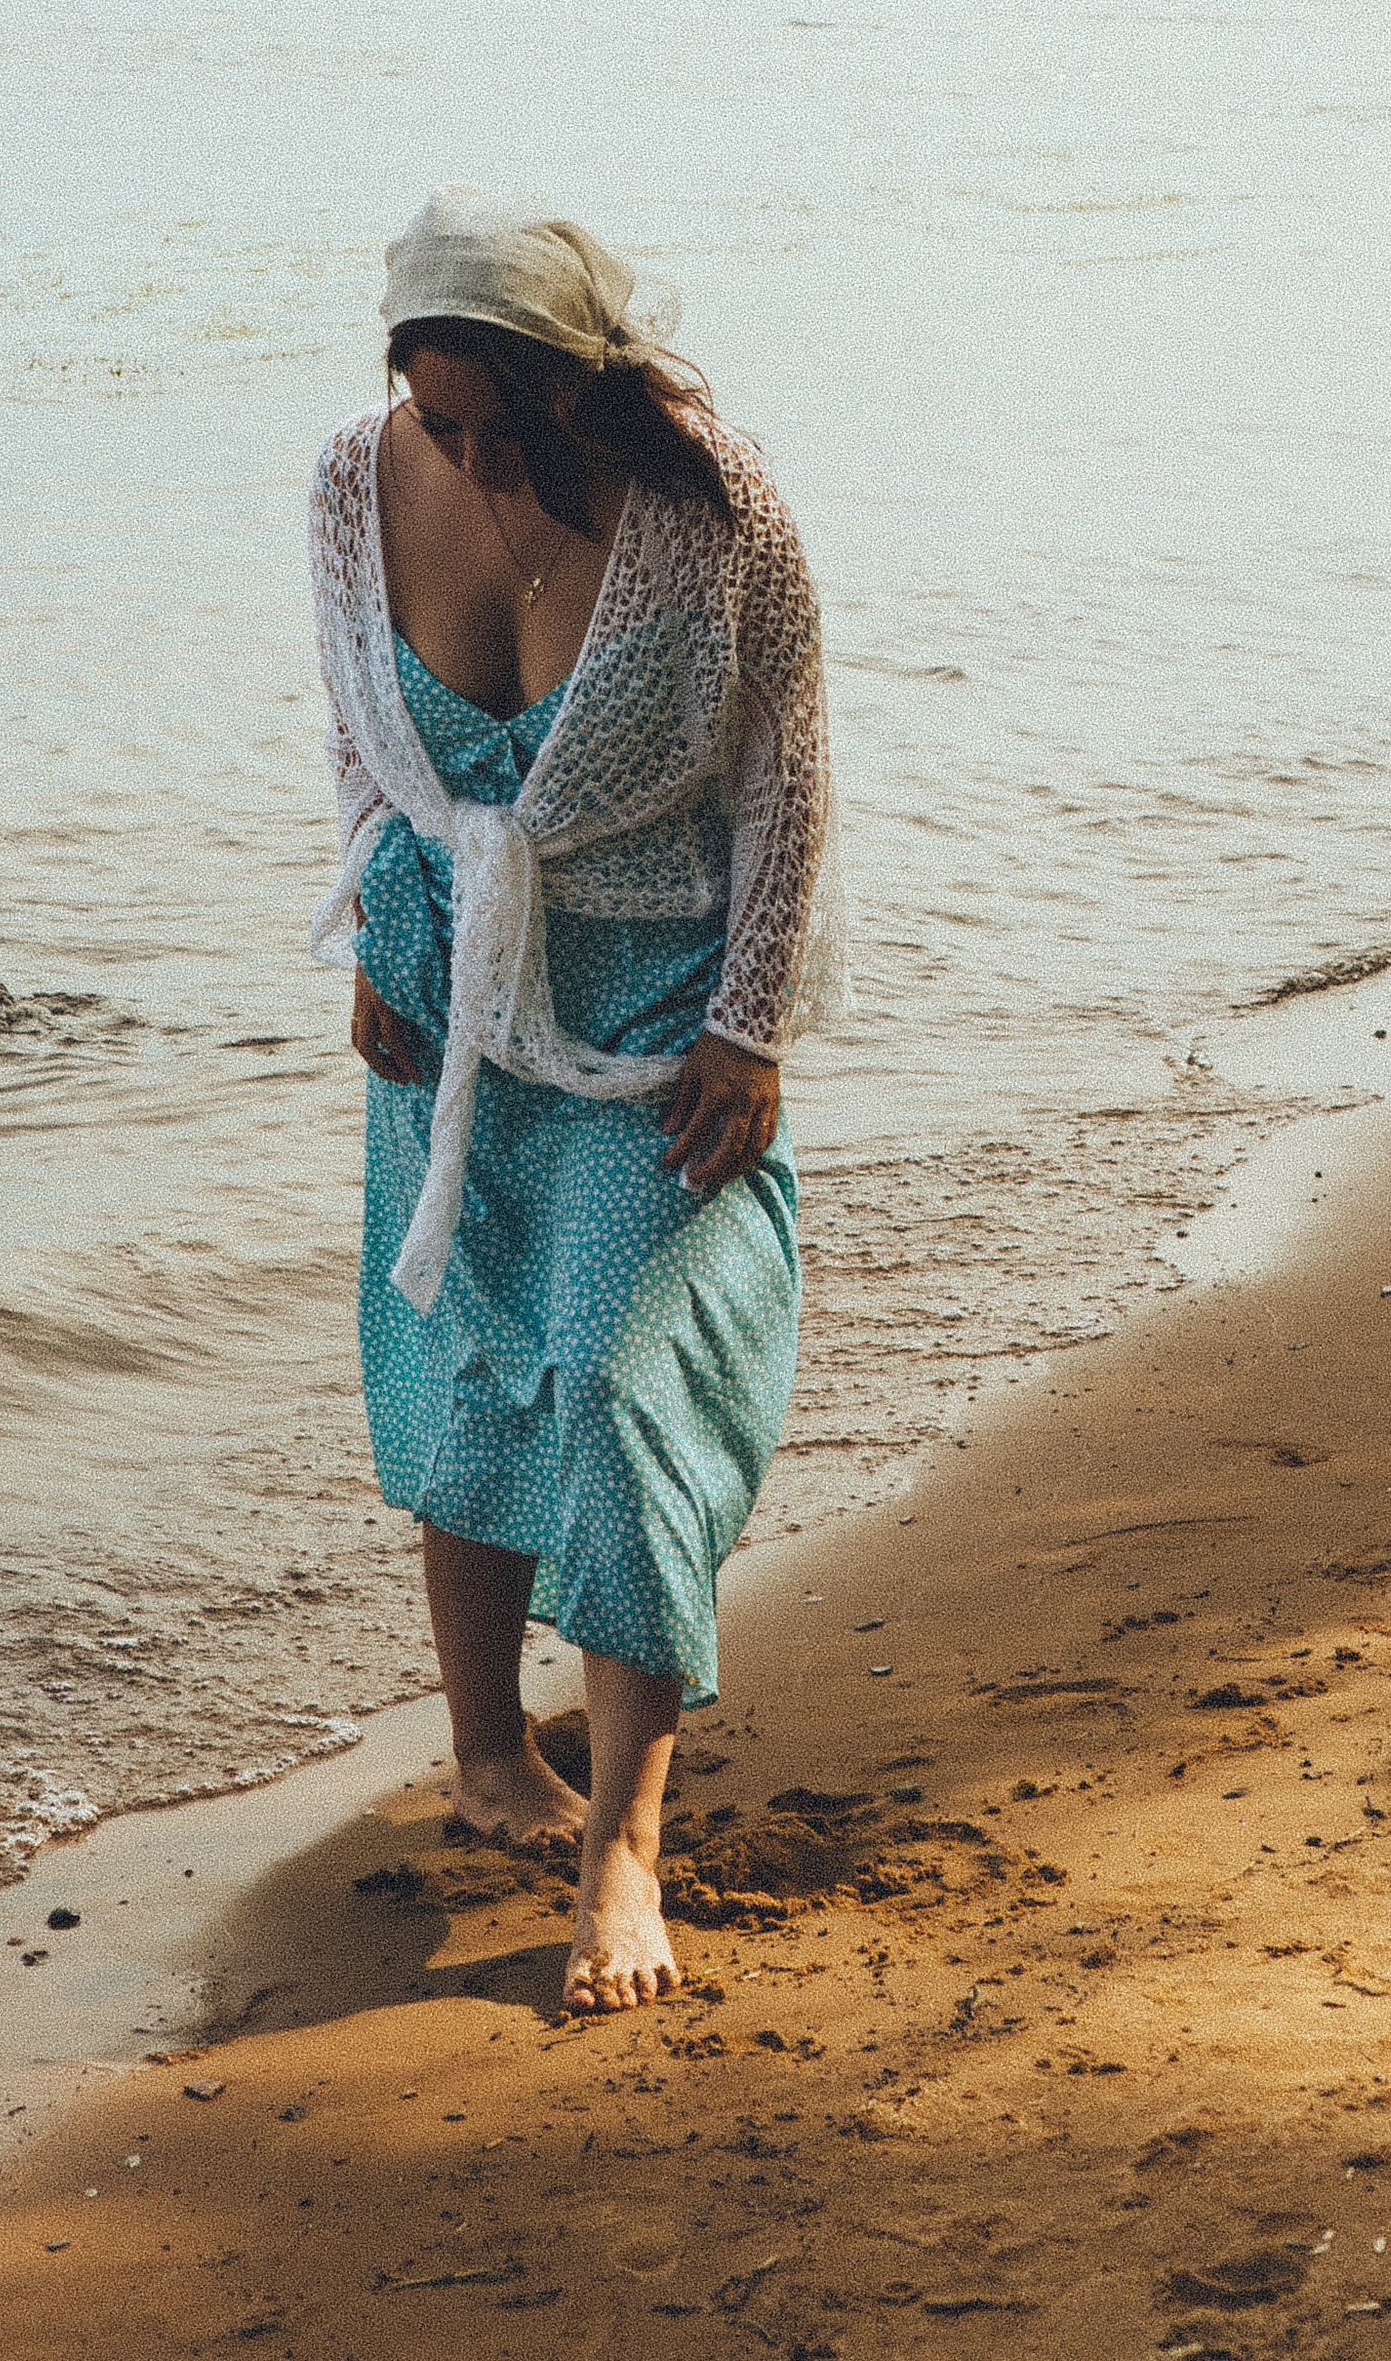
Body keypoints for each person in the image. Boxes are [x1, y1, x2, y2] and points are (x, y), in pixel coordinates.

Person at [308, 183, 843, 2014]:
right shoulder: (354, 483)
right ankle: (481, 1754)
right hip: (452, 1008)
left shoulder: (713, 509)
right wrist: (386, 936)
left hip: (654, 1012)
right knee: (465, 1370)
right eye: (438, 421)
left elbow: (785, 771)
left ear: (583, 383)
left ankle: (622, 1845)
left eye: (500, 424)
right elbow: (369, 755)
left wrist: (754, 1025)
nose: (467, 459)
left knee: (624, 1390)